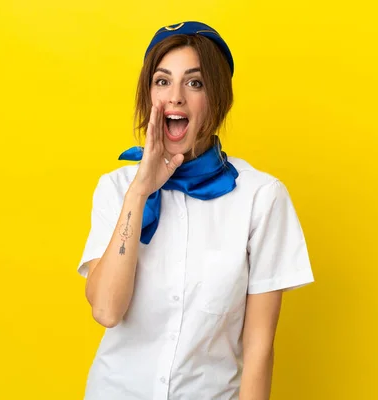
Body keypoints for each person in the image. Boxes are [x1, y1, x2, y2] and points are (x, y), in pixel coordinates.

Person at [77, 21, 314, 400]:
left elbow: (259, 350)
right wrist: (140, 192)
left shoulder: (261, 197)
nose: (175, 97)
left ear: (218, 99)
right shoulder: (118, 188)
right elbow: (106, 309)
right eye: (162, 81)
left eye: (195, 83)